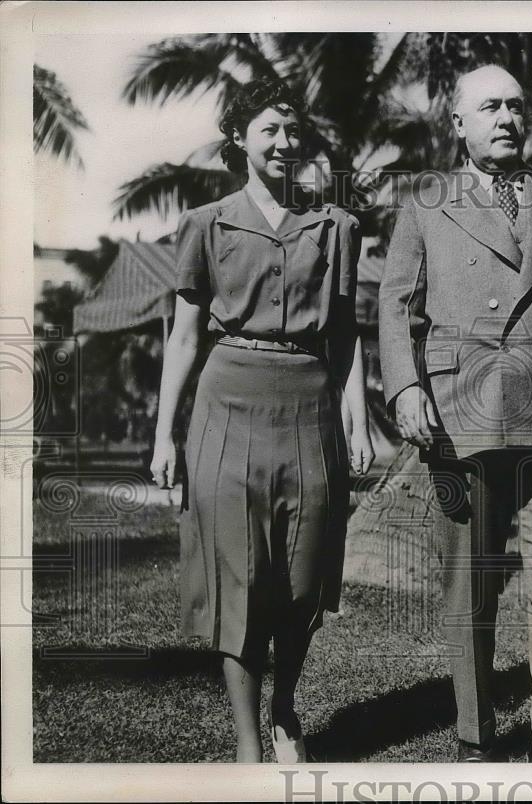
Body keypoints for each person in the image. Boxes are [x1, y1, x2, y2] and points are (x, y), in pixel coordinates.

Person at [378, 65, 532, 762]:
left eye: (517, 106)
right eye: (490, 106)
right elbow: (395, 307)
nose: (508, 118)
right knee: (474, 581)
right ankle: (475, 731)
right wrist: (404, 389)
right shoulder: (426, 201)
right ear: (456, 123)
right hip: (465, 414)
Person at [149, 78, 373, 763]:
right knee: (237, 578)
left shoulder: (336, 227)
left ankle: (285, 707)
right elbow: (184, 337)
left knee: (303, 579)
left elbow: (345, 333)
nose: (283, 142)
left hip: (308, 404)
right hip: (226, 404)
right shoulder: (207, 223)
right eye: (268, 130)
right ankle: (249, 746)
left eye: (292, 130)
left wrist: (356, 415)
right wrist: (163, 433)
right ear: (240, 141)